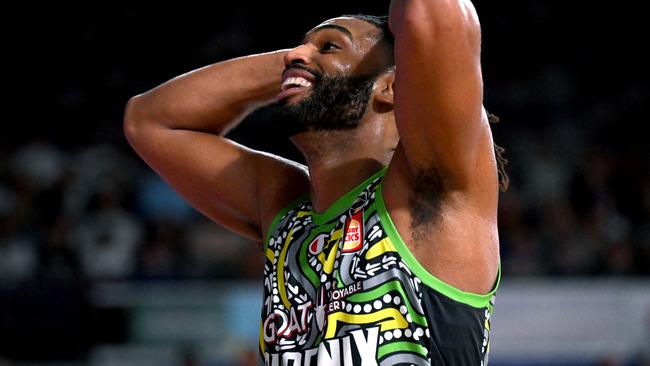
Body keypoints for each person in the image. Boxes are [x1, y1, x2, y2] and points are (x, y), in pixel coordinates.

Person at [124, 1, 506, 364]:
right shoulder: (285, 208)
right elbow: (149, 120)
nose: (296, 53)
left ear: (391, 86)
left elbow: (434, 16)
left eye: (331, 46)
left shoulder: (430, 188)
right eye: (299, 47)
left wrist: (311, 66)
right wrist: (296, 66)